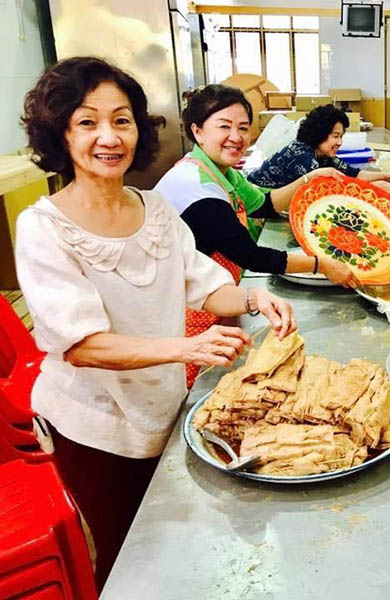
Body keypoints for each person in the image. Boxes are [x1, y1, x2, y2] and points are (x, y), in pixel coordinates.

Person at [16, 57, 295, 589]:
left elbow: (205, 285)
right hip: (94, 428)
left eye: (121, 120)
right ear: (60, 132)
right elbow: (82, 345)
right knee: (130, 556)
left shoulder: (156, 210)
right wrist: (186, 349)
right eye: (87, 121)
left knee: (181, 543)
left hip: (165, 405)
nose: (109, 137)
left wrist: (255, 297)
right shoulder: (44, 227)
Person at [155, 86, 356, 386]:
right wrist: (322, 264)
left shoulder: (222, 172)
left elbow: (265, 204)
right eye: (224, 126)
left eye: (243, 128)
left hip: (216, 299)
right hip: (186, 312)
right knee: (197, 387)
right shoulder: (193, 185)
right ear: (197, 131)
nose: (236, 136)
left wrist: (310, 178)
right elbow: (251, 256)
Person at [246, 104, 390, 196]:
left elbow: (353, 174)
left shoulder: (323, 155)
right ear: (320, 132)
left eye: (341, 136)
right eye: (335, 136)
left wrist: (388, 176)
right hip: (258, 198)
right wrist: (376, 187)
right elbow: (329, 190)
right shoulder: (300, 153)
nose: (339, 142)